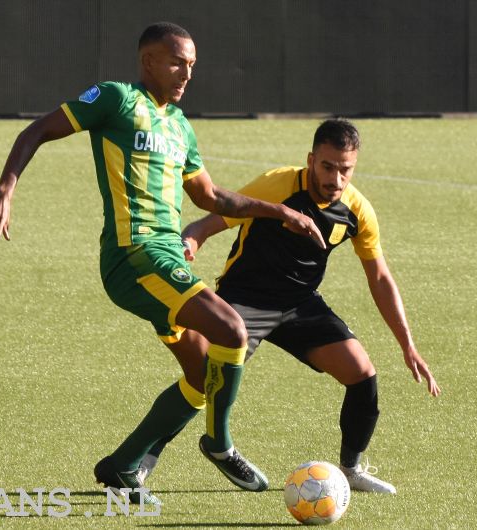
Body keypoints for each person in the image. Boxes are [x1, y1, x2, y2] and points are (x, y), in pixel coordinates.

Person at [0, 22, 326, 505]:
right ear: (149, 62)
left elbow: (211, 195)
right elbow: (37, 129)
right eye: (178, 61)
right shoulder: (116, 99)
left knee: (204, 375)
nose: (186, 73)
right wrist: (5, 190)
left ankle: (122, 465)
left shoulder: (179, 125)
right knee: (233, 331)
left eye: (193, 65)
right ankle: (220, 445)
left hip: (164, 259)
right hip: (134, 256)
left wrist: (280, 211)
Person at [133, 118, 441, 495]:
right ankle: (144, 459)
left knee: (362, 374)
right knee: (204, 379)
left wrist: (407, 344)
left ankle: (351, 469)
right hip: (244, 301)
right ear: (310, 160)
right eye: (328, 167)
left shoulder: (357, 210)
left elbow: (379, 278)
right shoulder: (279, 184)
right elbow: (216, 218)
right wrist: (192, 239)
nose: (336, 179)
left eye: (346, 169)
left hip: (299, 305)